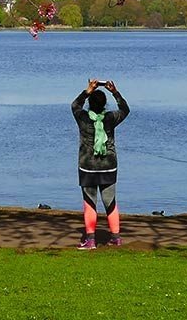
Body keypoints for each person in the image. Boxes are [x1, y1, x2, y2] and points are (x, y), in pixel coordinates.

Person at [71, 78, 129, 249]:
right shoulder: (110, 118)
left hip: (87, 166)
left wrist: (88, 90)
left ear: (89, 103)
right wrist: (115, 92)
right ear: (105, 105)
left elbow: (75, 105)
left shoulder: (82, 117)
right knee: (110, 202)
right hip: (109, 165)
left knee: (90, 202)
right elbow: (125, 109)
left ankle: (90, 240)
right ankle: (116, 238)